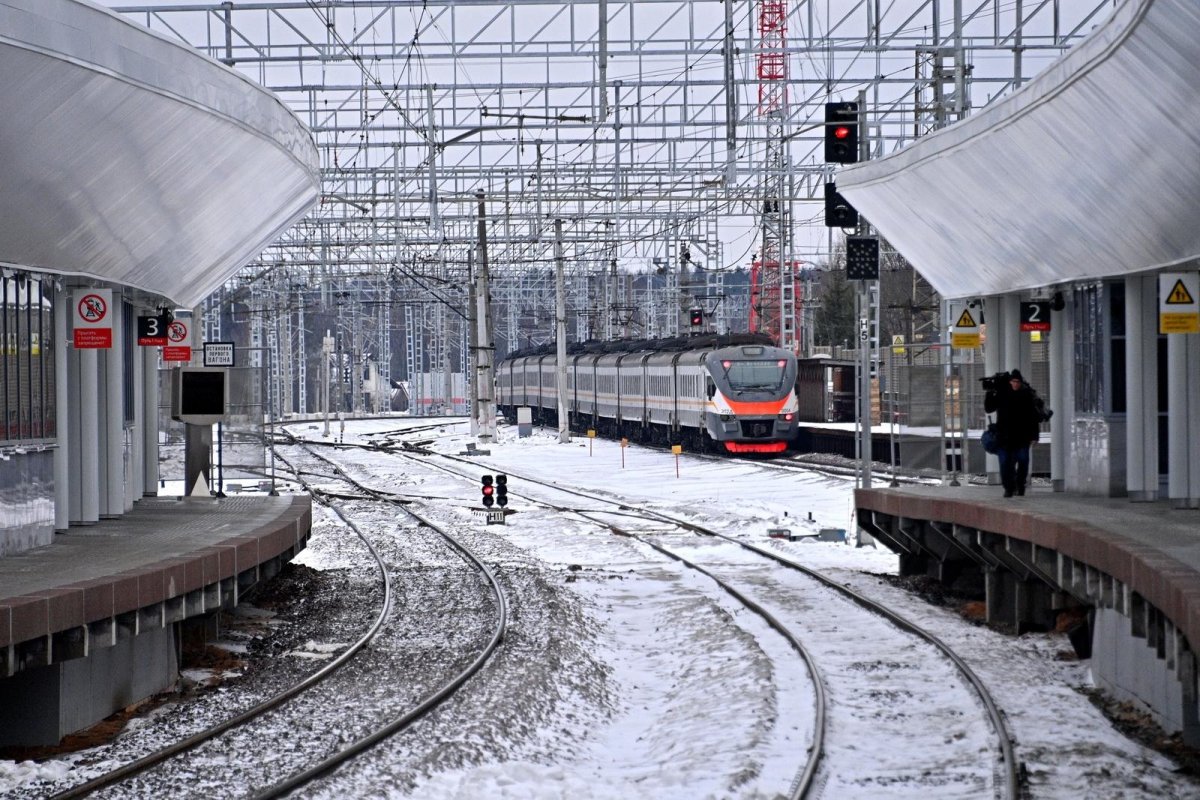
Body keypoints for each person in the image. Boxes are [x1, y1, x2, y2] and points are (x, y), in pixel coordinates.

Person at [983, 369, 1042, 498]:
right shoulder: (1002, 394)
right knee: (1005, 463)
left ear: (1020, 383)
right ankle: (1008, 488)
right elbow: (989, 408)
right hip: (1004, 437)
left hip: (1022, 437)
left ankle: (1020, 485)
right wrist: (989, 392)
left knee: (1023, 461)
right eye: (1013, 381)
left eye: (1017, 382)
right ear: (1009, 382)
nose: (1015, 384)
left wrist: (1035, 436)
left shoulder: (1026, 396)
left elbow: (1033, 417)